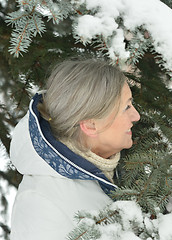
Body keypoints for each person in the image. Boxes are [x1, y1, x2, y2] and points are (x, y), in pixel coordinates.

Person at [10, 59, 140, 240]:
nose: (137, 116)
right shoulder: (40, 202)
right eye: (126, 107)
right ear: (90, 125)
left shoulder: (132, 165)